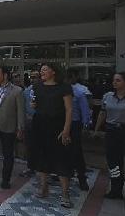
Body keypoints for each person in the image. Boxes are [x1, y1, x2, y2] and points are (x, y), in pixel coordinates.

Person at [29, 64, 74, 208]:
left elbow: (69, 109)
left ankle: (65, 193)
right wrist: (34, 105)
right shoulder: (37, 86)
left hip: (58, 126)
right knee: (42, 158)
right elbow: (36, 103)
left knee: (61, 160)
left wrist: (66, 129)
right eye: (41, 69)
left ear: (53, 72)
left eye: (45, 69)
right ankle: (43, 188)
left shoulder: (64, 87)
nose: (42, 71)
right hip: (40, 124)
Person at [94, 72, 125, 203]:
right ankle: (116, 189)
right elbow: (102, 113)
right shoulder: (108, 96)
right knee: (113, 162)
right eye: (114, 80)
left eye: (118, 80)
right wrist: (96, 129)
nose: (115, 82)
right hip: (111, 130)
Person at [67, 68, 92, 191]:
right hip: (62, 124)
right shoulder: (60, 91)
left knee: (76, 152)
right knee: (64, 150)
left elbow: (85, 110)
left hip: (75, 124)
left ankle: (82, 177)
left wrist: (86, 124)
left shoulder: (79, 92)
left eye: (69, 78)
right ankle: (67, 172)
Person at [20, 71, 40, 178]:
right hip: (29, 121)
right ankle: (31, 167)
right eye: (31, 77)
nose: (32, 79)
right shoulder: (26, 92)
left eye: (35, 77)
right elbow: (22, 108)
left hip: (42, 121)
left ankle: (43, 169)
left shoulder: (44, 90)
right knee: (29, 146)